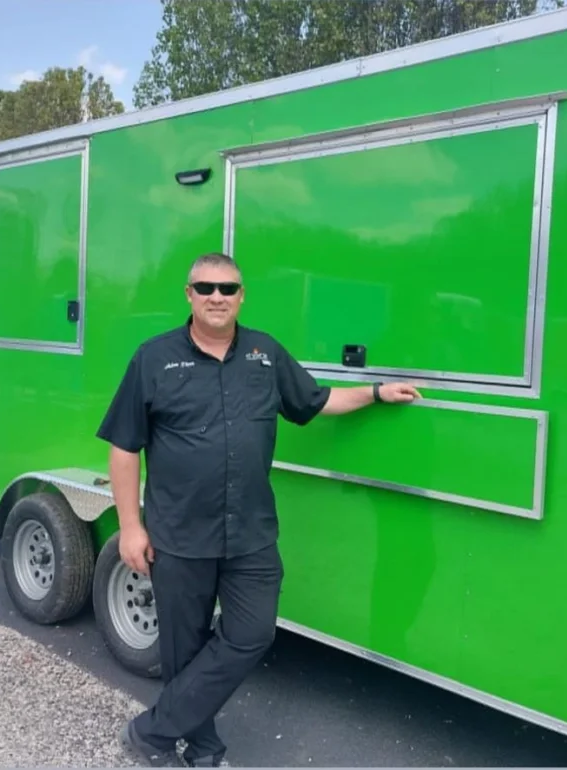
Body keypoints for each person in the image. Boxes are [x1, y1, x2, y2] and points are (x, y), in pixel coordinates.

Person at [97, 252, 421, 767]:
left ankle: (151, 730)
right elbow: (122, 446)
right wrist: (130, 526)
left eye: (227, 288)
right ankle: (201, 753)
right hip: (178, 536)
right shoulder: (153, 359)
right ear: (189, 295)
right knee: (183, 652)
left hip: (250, 535)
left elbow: (316, 401)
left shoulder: (265, 355)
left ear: (241, 295)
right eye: (205, 288)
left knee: (252, 634)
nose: (217, 297)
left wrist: (376, 392)